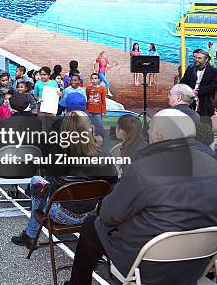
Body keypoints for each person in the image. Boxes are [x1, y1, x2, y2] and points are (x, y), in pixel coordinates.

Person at [63, 109, 217, 285]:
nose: (147, 132)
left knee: (92, 225)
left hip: (149, 264)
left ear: (159, 135)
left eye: (150, 128)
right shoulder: (213, 165)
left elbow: (108, 214)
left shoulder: (143, 169)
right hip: (198, 261)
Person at [11, 110, 117, 248]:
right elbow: (112, 184)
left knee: (37, 181)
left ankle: (30, 234)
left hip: (61, 213)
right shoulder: (103, 155)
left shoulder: (55, 153)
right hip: (90, 214)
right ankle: (29, 234)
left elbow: (50, 185)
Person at [180, 48, 217, 117]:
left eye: (199, 58)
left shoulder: (213, 71)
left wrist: (198, 91)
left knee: (205, 123)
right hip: (190, 100)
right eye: (196, 58)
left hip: (205, 101)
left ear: (206, 60)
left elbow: (214, 86)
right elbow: (183, 82)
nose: (196, 59)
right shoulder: (190, 69)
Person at [85, 73, 107, 138]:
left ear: (98, 80)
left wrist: (104, 111)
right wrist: (86, 109)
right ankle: (90, 138)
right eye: (92, 78)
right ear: (90, 79)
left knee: (98, 125)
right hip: (89, 110)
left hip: (98, 111)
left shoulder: (102, 88)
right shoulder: (88, 88)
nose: (94, 80)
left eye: (95, 78)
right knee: (89, 125)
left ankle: (100, 137)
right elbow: (87, 98)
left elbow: (103, 100)